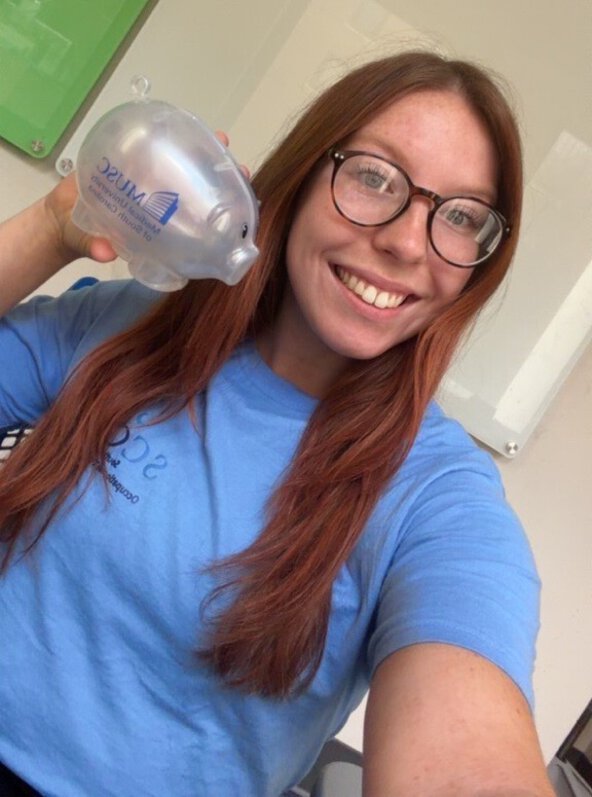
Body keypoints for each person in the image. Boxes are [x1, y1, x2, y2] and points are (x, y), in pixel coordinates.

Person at [0, 50, 554, 796]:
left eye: (459, 217)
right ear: (298, 178)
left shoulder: (439, 501)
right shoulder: (133, 325)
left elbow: (463, 763)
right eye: (374, 176)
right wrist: (49, 227)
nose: (404, 240)